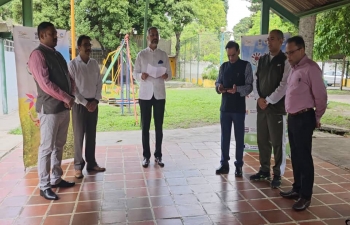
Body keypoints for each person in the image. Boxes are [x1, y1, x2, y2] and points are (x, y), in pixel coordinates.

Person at [28, 22, 75, 200]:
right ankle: (44, 185)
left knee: (59, 145)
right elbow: (45, 84)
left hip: (63, 108)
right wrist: (66, 98)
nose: (55, 37)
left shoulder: (58, 55)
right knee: (46, 147)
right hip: (49, 109)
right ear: (41, 36)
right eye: (51, 34)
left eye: (55, 34)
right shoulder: (37, 55)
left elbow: (69, 77)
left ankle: (56, 177)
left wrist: (71, 95)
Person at [280, 36, 327, 211]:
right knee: (295, 156)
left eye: (291, 52)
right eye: (287, 53)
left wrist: (317, 117)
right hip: (292, 118)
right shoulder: (294, 69)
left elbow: (321, 97)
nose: (288, 56)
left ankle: (306, 195)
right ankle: (297, 188)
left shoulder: (311, 69)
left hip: (304, 118)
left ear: (301, 50)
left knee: (304, 157)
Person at [250, 30, 291, 188]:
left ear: (281, 41)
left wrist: (268, 100)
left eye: (272, 39)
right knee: (262, 140)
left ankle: (278, 174)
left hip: (276, 109)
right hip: (261, 108)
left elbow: (284, 85)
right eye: (268, 39)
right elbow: (256, 80)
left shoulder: (285, 61)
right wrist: (258, 98)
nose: (269, 42)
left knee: (277, 143)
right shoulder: (263, 60)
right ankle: (264, 170)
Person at [133, 27, 172, 168]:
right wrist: (140, 76)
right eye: (152, 35)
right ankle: (146, 156)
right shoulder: (141, 55)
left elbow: (170, 74)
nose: (155, 37)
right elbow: (134, 73)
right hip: (145, 95)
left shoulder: (163, 55)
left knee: (159, 127)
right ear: (148, 37)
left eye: (156, 35)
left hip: (160, 95)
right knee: (145, 127)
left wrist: (166, 75)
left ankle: (158, 155)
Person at [68, 35, 105, 179]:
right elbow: (73, 89)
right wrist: (85, 103)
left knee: (91, 135)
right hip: (79, 105)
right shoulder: (72, 65)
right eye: (85, 45)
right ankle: (78, 166)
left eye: (89, 45)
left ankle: (91, 163)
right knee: (78, 136)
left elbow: (99, 84)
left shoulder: (94, 64)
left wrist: (95, 101)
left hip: (93, 104)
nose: (88, 47)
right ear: (79, 47)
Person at [215, 41, 253, 176]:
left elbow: (249, 86)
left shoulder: (246, 66)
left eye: (233, 55)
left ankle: (239, 165)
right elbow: (218, 81)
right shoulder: (223, 66)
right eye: (229, 55)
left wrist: (238, 90)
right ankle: (224, 163)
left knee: (239, 138)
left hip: (238, 109)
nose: (231, 58)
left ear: (238, 52)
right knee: (224, 137)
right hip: (225, 108)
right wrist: (219, 87)